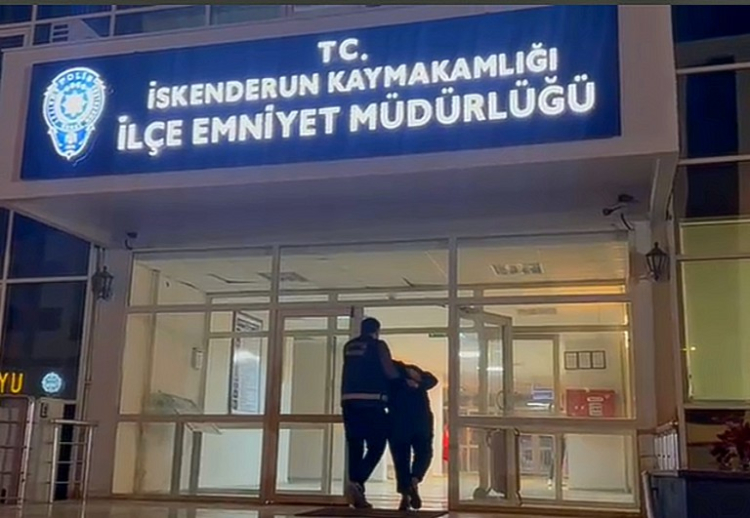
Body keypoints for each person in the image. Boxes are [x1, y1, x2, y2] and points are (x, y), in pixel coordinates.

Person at [341, 317, 402, 509]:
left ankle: (357, 489)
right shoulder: (378, 345)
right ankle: (357, 482)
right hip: (372, 402)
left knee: (355, 446)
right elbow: (389, 372)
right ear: (377, 330)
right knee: (377, 445)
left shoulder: (349, 346)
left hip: (349, 402)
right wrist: (402, 379)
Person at [388, 360, 438, 511]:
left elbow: (432, 380)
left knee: (401, 459)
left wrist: (416, 382)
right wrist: (417, 382)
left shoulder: (392, 374)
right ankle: (414, 480)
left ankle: (406, 494)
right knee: (424, 453)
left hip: (399, 421)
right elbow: (432, 380)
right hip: (420, 420)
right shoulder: (409, 371)